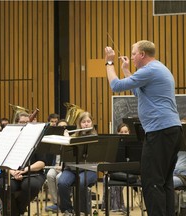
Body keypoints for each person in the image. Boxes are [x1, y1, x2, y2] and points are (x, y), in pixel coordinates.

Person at [105, 40, 183, 216]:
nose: (131, 57)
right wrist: (126, 70)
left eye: (133, 54)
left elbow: (116, 86)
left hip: (159, 131)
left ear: (142, 55)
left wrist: (109, 63)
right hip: (171, 130)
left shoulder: (149, 70)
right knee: (164, 182)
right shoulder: (157, 69)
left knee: (151, 182)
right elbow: (138, 91)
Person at [0, 112, 46, 215]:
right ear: (16, 123)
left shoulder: (38, 137)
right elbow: (2, 161)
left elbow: (42, 162)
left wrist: (25, 170)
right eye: (21, 122)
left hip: (32, 172)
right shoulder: (8, 138)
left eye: (27, 122)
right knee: (3, 186)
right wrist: (13, 172)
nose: (24, 124)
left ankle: (17, 210)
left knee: (30, 185)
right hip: (10, 172)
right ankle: (17, 212)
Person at [58, 112, 97, 215]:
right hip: (72, 169)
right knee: (62, 182)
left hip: (89, 170)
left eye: (88, 121)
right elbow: (64, 154)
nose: (86, 124)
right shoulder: (73, 137)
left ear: (92, 123)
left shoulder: (95, 137)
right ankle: (67, 210)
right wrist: (65, 139)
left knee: (82, 182)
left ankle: (82, 211)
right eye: (83, 122)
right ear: (79, 124)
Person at [45, 119, 69, 213]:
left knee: (59, 177)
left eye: (64, 127)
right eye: (60, 127)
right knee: (50, 175)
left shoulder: (70, 138)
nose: (62, 129)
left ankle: (63, 203)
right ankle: (56, 203)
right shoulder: (55, 139)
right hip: (56, 166)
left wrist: (63, 167)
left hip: (66, 167)